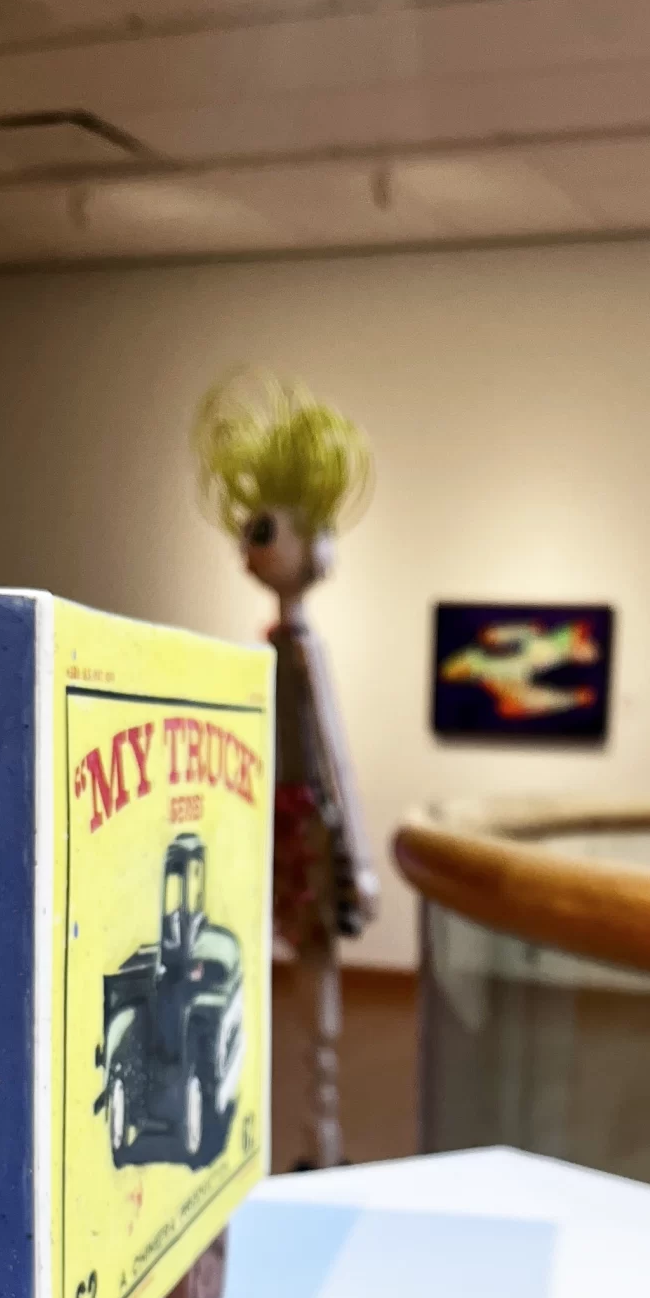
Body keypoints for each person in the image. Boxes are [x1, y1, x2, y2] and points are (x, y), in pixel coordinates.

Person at [193, 371, 379, 1166]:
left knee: (313, 977)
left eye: (264, 530)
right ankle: (286, 1133)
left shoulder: (301, 652)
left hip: (305, 834)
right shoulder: (274, 648)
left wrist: (357, 858)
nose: (251, 547)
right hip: (270, 826)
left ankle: (320, 1136)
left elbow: (332, 756)